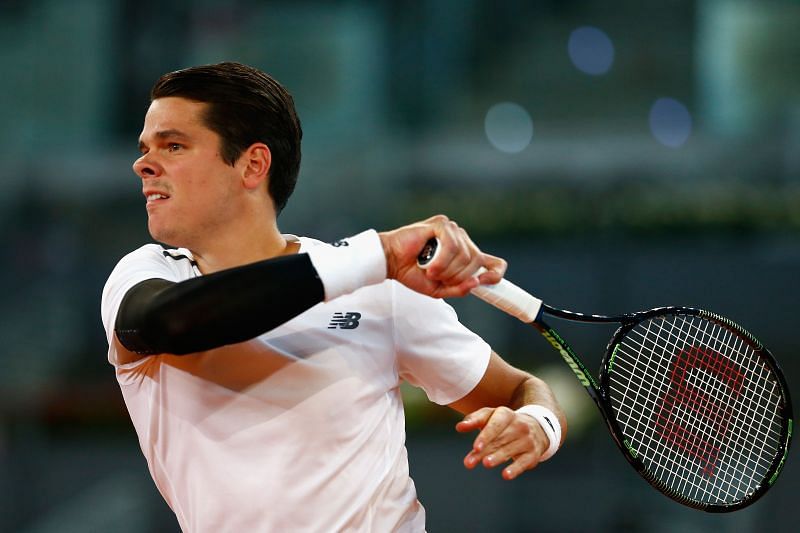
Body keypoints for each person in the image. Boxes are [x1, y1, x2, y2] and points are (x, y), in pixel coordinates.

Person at [100, 62, 566, 532]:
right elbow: (172, 323)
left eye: (174, 145)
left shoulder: (379, 289)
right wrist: (378, 254)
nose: (143, 164)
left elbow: (520, 389)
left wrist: (537, 425)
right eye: (145, 149)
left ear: (252, 164)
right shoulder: (146, 277)